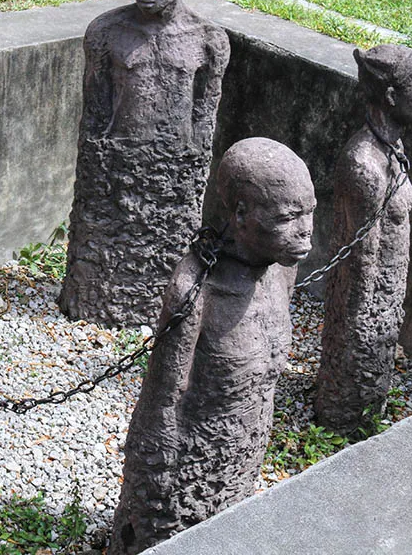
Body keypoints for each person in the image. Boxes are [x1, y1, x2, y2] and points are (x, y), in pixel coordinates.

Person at [109, 138, 315, 554]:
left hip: (244, 455)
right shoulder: (195, 289)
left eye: (310, 211)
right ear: (240, 214)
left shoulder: (279, 272)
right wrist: (154, 487)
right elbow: (162, 400)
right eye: (289, 216)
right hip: (186, 471)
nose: (306, 229)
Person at [60, 0, 230, 327]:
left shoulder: (208, 41)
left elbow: (204, 118)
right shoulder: (106, 32)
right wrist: (96, 180)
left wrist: (187, 179)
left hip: (173, 178)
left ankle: (167, 309)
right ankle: (93, 303)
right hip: (115, 175)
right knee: (103, 257)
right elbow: (95, 114)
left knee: (168, 263)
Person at [314, 45, 412, 434]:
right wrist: (360, 324)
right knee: (356, 376)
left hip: (387, 296)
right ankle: (343, 419)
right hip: (366, 303)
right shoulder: (364, 164)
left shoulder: (393, 147)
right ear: (392, 97)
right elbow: (362, 260)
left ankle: (364, 411)